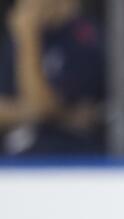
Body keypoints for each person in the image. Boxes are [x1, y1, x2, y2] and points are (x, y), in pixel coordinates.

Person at [0, 0, 104, 156]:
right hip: (12, 160)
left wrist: (28, 39)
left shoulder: (84, 38)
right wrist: (52, 115)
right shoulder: (14, 40)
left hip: (65, 160)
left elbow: (43, 106)